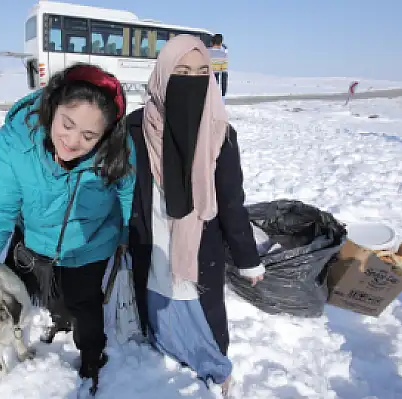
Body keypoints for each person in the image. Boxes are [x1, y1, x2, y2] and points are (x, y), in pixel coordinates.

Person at [0, 63, 135, 385]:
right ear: (53, 106)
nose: (73, 141)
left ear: (105, 135)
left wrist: (124, 234)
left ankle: (93, 356)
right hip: (35, 242)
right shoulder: (17, 143)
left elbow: (127, 195)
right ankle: (58, 320)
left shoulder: (118, 150)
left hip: (91, 245)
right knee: (45, 295)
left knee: (85, 304)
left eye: (89, 135)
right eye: (67, 124)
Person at [125, 34, 264, 396]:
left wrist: (248, 259)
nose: (192, 79)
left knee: (196, 301)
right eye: (181, 70)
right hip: (151, 234)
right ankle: (163, 342)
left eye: (202, 71)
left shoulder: (220, 132)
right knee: (156, 293)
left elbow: (232, 203)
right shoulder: (135, 128)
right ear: (163, 74)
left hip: (200, 243)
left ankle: (212, 363)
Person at [208, 33, 229, 99]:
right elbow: (224, 75)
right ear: (221, 43)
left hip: (203, 83)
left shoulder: (205, 51)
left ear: (212, 42)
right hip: (214, 84)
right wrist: (223, 94)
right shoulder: (223, 55)